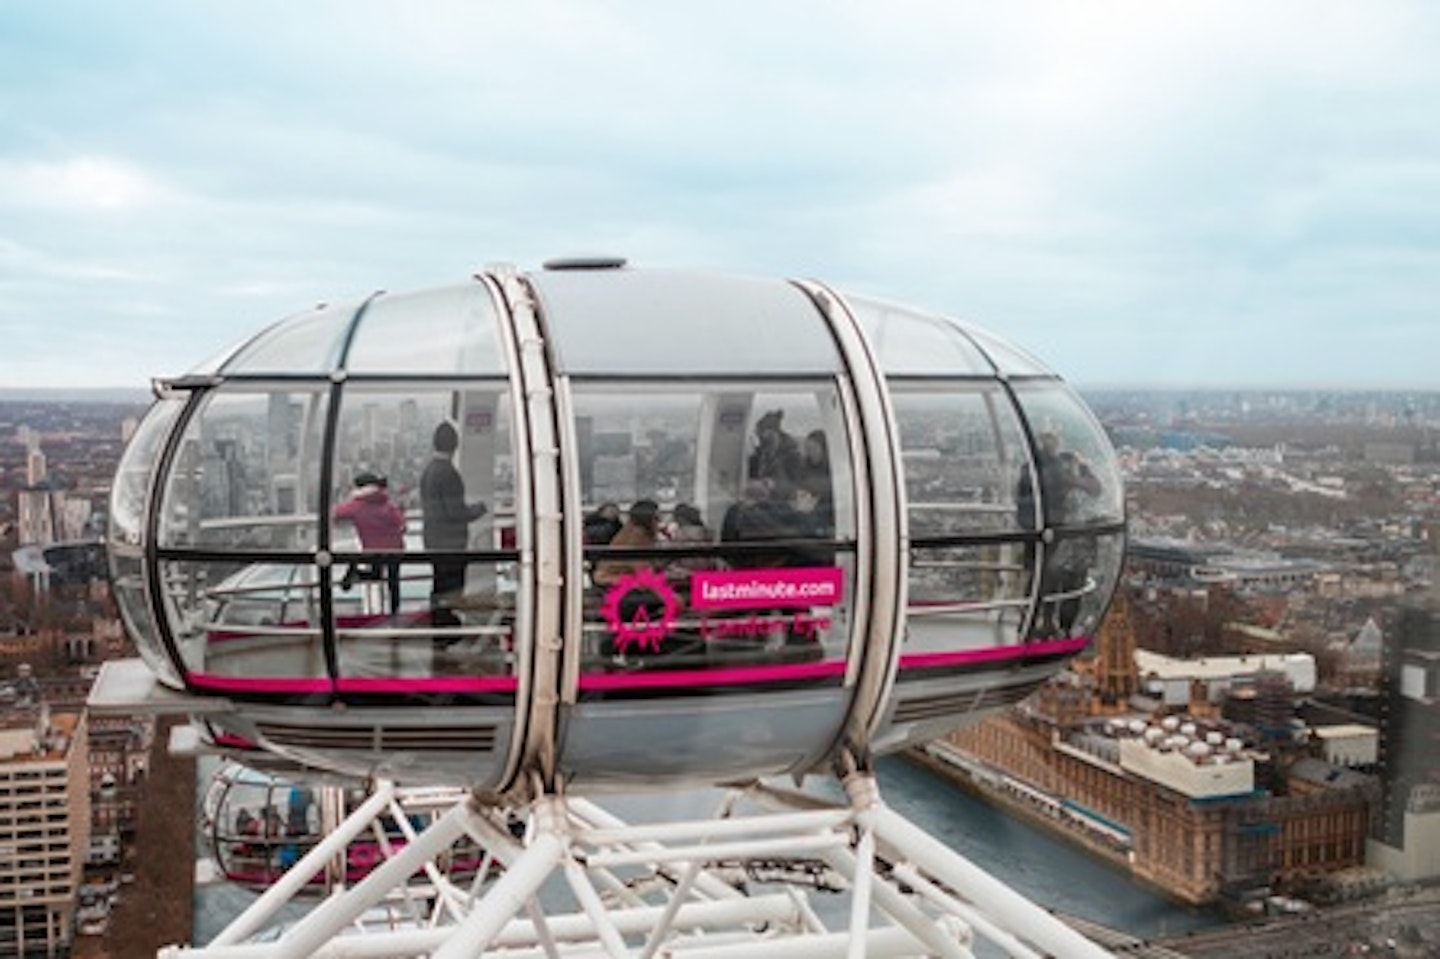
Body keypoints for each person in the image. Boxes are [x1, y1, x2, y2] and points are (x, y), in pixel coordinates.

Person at [420, 421, 488, 632]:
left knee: (439, 585)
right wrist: (478, 509)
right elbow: (455, 512)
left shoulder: (429, 471)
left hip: (433, 539)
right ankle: (447, 631)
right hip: (451, 542)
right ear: (455, 445)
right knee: (451, 589)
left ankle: (440, 629)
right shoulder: (448, 473)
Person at [332, 471, 406, 614]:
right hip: (395, 548)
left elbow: (337, 513)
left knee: (376, 574)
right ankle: (395, 613)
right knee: (393, 582)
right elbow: (401, 523)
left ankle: (356, 573)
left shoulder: (357, 505)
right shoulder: (386, 502)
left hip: (372, 548)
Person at [592, 499, 662, 587]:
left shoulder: (632, 530)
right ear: (648, 519)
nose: (659, 521)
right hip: (612, 578)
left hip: (617, 576)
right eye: (657, 518)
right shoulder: (638, 535)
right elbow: (642, 567)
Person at [746, 409, 802, 496]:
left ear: (774, 433)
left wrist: (772, 485)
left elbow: (796, 486)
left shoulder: (792, 456)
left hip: (782, 503)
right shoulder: (761, 454)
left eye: (761, 434)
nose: (761, 439)